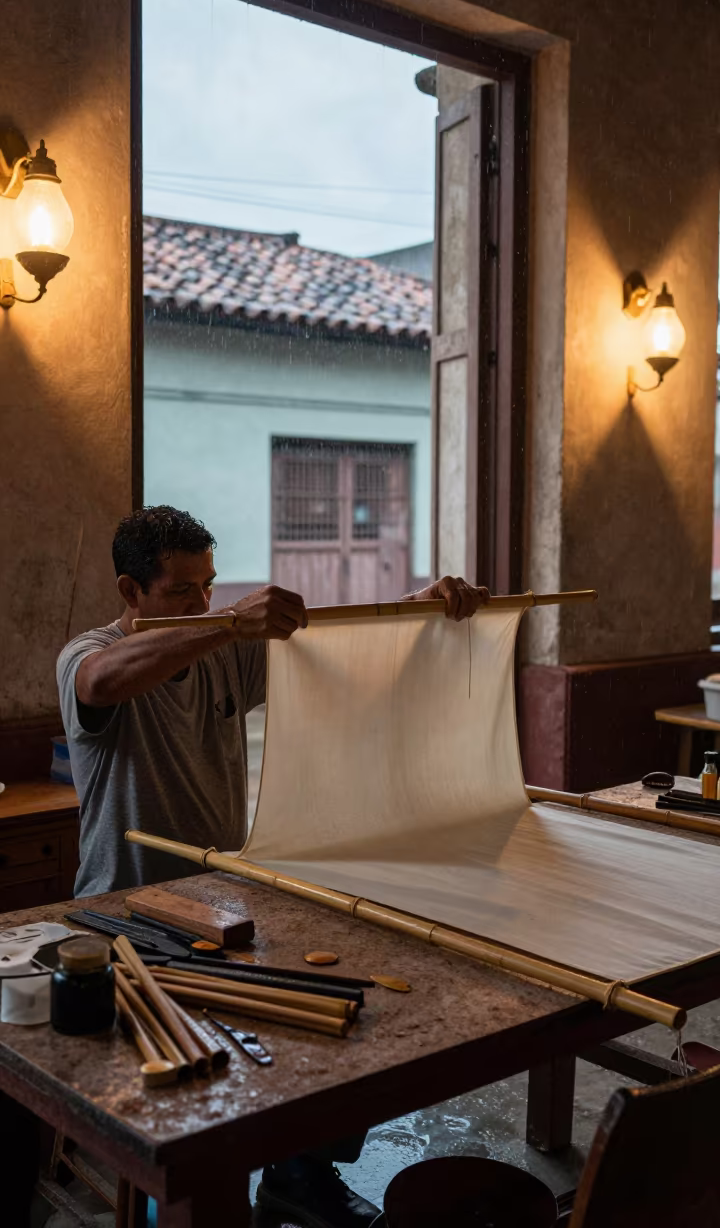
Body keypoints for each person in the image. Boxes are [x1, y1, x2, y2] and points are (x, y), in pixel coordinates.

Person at [57, 505, 488, 1228]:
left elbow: (340, 652)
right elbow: (101, 683)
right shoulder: (88, 652)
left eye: (210, 587)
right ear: (130, 592)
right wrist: (224, 623)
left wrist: (420, 608)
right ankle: (197, 1204)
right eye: (182, 591)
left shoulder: (221, 650)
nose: (202, 603)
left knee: (337, 1014)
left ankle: (300, 1176)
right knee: (188, 1088)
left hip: (225, 905)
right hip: (128, 920)